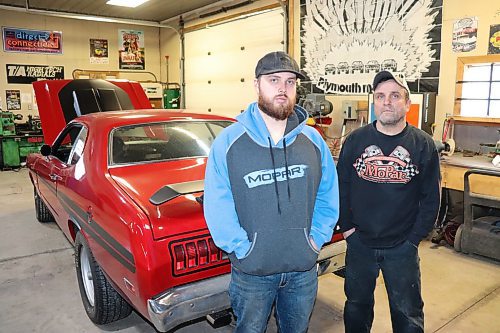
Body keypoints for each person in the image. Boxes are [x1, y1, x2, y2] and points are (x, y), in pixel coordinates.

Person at [203, 51, 339, 333]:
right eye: (273, 79)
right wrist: (243, 248)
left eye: (290, 81)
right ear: (256, 85)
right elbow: (218, 205)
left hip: (302, 271)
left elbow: (328, 195)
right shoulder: (228, 143)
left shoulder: (313, 140)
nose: (282, 88)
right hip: (252, 274)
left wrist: (315, 240)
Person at [337, 70, 441, 333]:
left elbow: (431, 198)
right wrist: (348, 230)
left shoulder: (423, 145)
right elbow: (341, 187)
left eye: (395, 95)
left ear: (407, 103)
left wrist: (413, 239)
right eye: (380, 96)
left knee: (407, 314)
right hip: (360, 243)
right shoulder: (355, 141)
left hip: (401, 247)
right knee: (357, 308)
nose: (387, 102)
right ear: (374, 102)